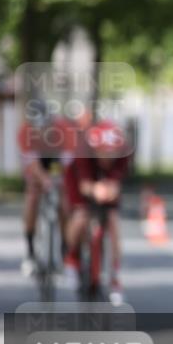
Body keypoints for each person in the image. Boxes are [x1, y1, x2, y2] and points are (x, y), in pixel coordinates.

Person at [62, 119, 130, 305]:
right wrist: (94, 190)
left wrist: (111, 189)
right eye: (103, 153)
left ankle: (114, 275)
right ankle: (72, 257)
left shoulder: (124, 154)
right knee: (81, 215)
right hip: (80, 180)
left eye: (112, 154)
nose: (108, 158)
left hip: (106, 184)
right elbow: (84, 186)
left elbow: (117, 179)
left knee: (113, 219)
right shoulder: (83, 153)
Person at [18, 113, 76, 277]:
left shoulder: (64, 130)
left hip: (57, 160)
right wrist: (44, 179)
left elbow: (68, 161)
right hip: (38, 163)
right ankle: (30, 252)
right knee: (32, 197)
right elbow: (31, 163)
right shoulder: (25, 131)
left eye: (45, 129)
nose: (42, 133)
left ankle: (65, 250)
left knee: (64, 203)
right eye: (38, 130)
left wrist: (57, 179)